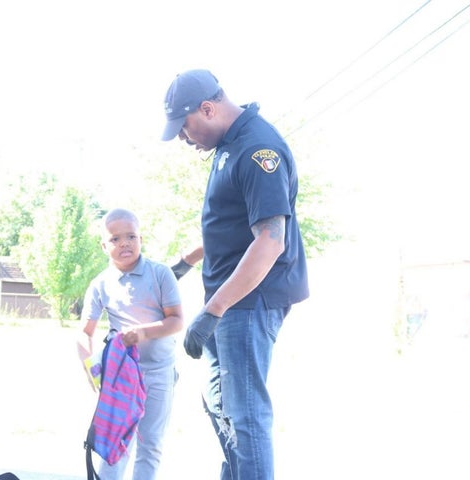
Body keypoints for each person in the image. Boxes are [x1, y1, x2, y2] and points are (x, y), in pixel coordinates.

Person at [161, 69, 309, 480]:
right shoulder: (231, 146)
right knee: (219, 404)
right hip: (229, 300)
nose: (183, 138)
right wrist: (185, 262)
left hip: (249, 301)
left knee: (245, 415)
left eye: (184, 128)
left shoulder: (258, 149)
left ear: (207, 109)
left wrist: (213, 309)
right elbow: (230, 223)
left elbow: (270, 240)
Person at [78, 207, 184, 480]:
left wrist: (143, 333)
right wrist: (91, 369)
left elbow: (176, 321)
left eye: (131, 236)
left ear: (141, 238)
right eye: (115, 239)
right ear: (104, 245)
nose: (124, 243)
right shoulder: (100, 284)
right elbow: (84, 333)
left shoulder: (161, 274)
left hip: (159, 373)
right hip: (120, 377)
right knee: (117, 443)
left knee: (151, 445)